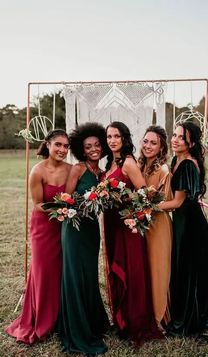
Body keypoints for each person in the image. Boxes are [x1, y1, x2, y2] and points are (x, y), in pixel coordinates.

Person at [6, 129, 71, 344]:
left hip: (64, 227)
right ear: (48, 145)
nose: (62, 150)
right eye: (58, 145)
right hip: (44, 227)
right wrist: (60, 207)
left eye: (66, 146)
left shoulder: (72, 170)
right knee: (44, 271)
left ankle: (61, 317)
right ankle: (42, 319)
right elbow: (38, 204)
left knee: (61, 270)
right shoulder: (38, 171)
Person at [103, 121, 163, 346]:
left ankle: (135, 321)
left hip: (127, 226)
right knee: (117, 269)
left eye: (116, 136)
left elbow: (145, 195)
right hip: (111, 224)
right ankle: (121, 319)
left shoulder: (128, 163)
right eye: (109, 136)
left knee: (131, 271)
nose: (112, 140)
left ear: (125, 138)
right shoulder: (111, 163)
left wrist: (134, 217)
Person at [158, 122, 208, 341]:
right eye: (174, 135)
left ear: (191, 142)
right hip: (182, 222)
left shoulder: (188, 165)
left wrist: (147, 206)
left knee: (190, 271)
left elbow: (177, 203)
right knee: (181, 268)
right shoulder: (176, 160)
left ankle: (190, 319)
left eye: (181, 137)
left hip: (191, 226)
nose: (175, 139)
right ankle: (182, 311)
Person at [57, 122, 110, 355]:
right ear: (82, 149)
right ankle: (77, 330)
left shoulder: (103, 173)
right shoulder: (78, 169)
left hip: (91, 231)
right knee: (75, 276)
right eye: (88, 146)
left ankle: (92, 321)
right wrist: (80, 203)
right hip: (74, 229)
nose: (94, 149)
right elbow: (66, 199)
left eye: (97, 145)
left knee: (89, 275)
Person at [138, 125, 172, 331]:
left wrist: (148, 206)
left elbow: (167, 200)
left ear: (161, 148)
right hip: (141, 223)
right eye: (146, 141)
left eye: (154, 143)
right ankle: (145, 311)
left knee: (158, 269)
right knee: (144, 269)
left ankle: (159, 317)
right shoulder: (139, 166)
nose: (148, 146)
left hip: (158, 225)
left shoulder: (163, 170)